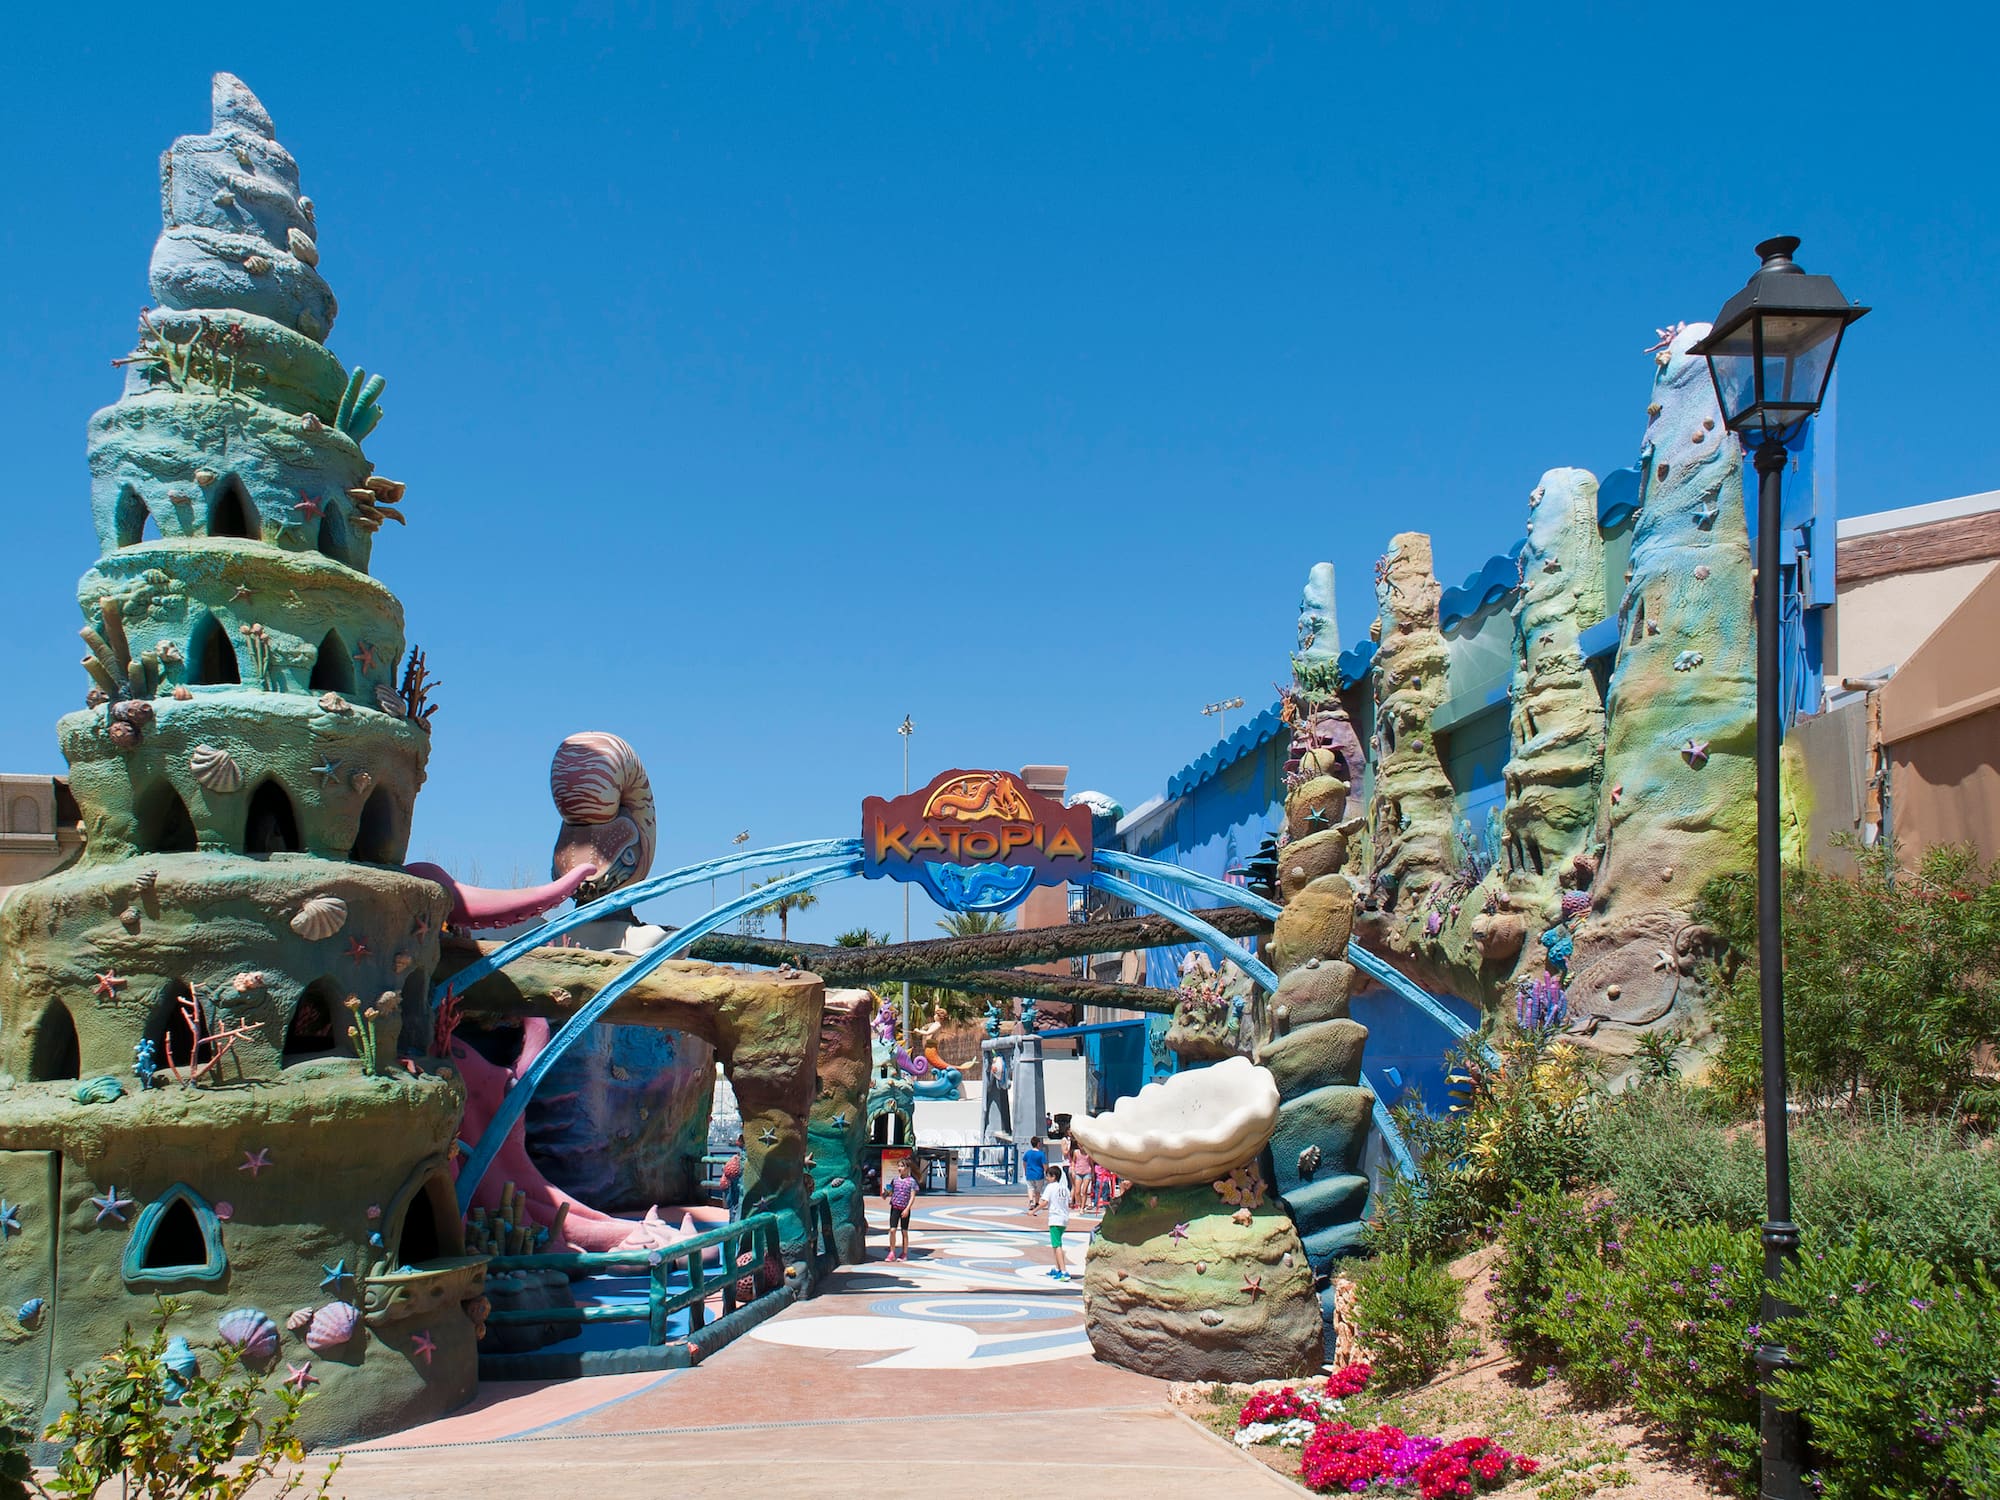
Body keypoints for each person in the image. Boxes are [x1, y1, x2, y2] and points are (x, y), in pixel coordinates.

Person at [884, 1156, 918, 1262]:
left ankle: (904, 1253)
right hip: (895, 1207)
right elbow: (889, 1190)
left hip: (904, 1208)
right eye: (898, 1166)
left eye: (902, 1166)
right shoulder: (895, 1180)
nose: (899, 1168)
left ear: (907, 1168)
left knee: (904, 1231)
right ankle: (892, 1252)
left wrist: (907, 1209)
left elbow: (912, 1196)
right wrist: (886, 1193)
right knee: (892, 1230)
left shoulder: (911, 1181)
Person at [1042, 1164, 1072, 1280]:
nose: (1047, 1179)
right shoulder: (1064, 1187)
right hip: (1064, 1218)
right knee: (1055, 1244)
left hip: (1055, 1219)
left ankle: (1064, 1271)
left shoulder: (1050, 1187)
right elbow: (1069, 1201)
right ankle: (1058, 1268)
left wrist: (1033, 1210)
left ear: (1053, 1176)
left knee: (1057, 1245)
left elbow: (1044, 1202)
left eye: (1048, 1176)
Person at [1022, 1136, 1047, 1213]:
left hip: (1030, 1173)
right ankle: (1036, 1202)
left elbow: (1024, 1162)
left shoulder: (1028, 1153)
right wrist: (1046, 1172)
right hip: (1039, 1174)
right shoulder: (1041, 1154)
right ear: (1038, 1144)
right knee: (1038, 1189)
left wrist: (1025, 1170)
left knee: (1030, 1188)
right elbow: (1044, 1164)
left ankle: (1031, 1201)